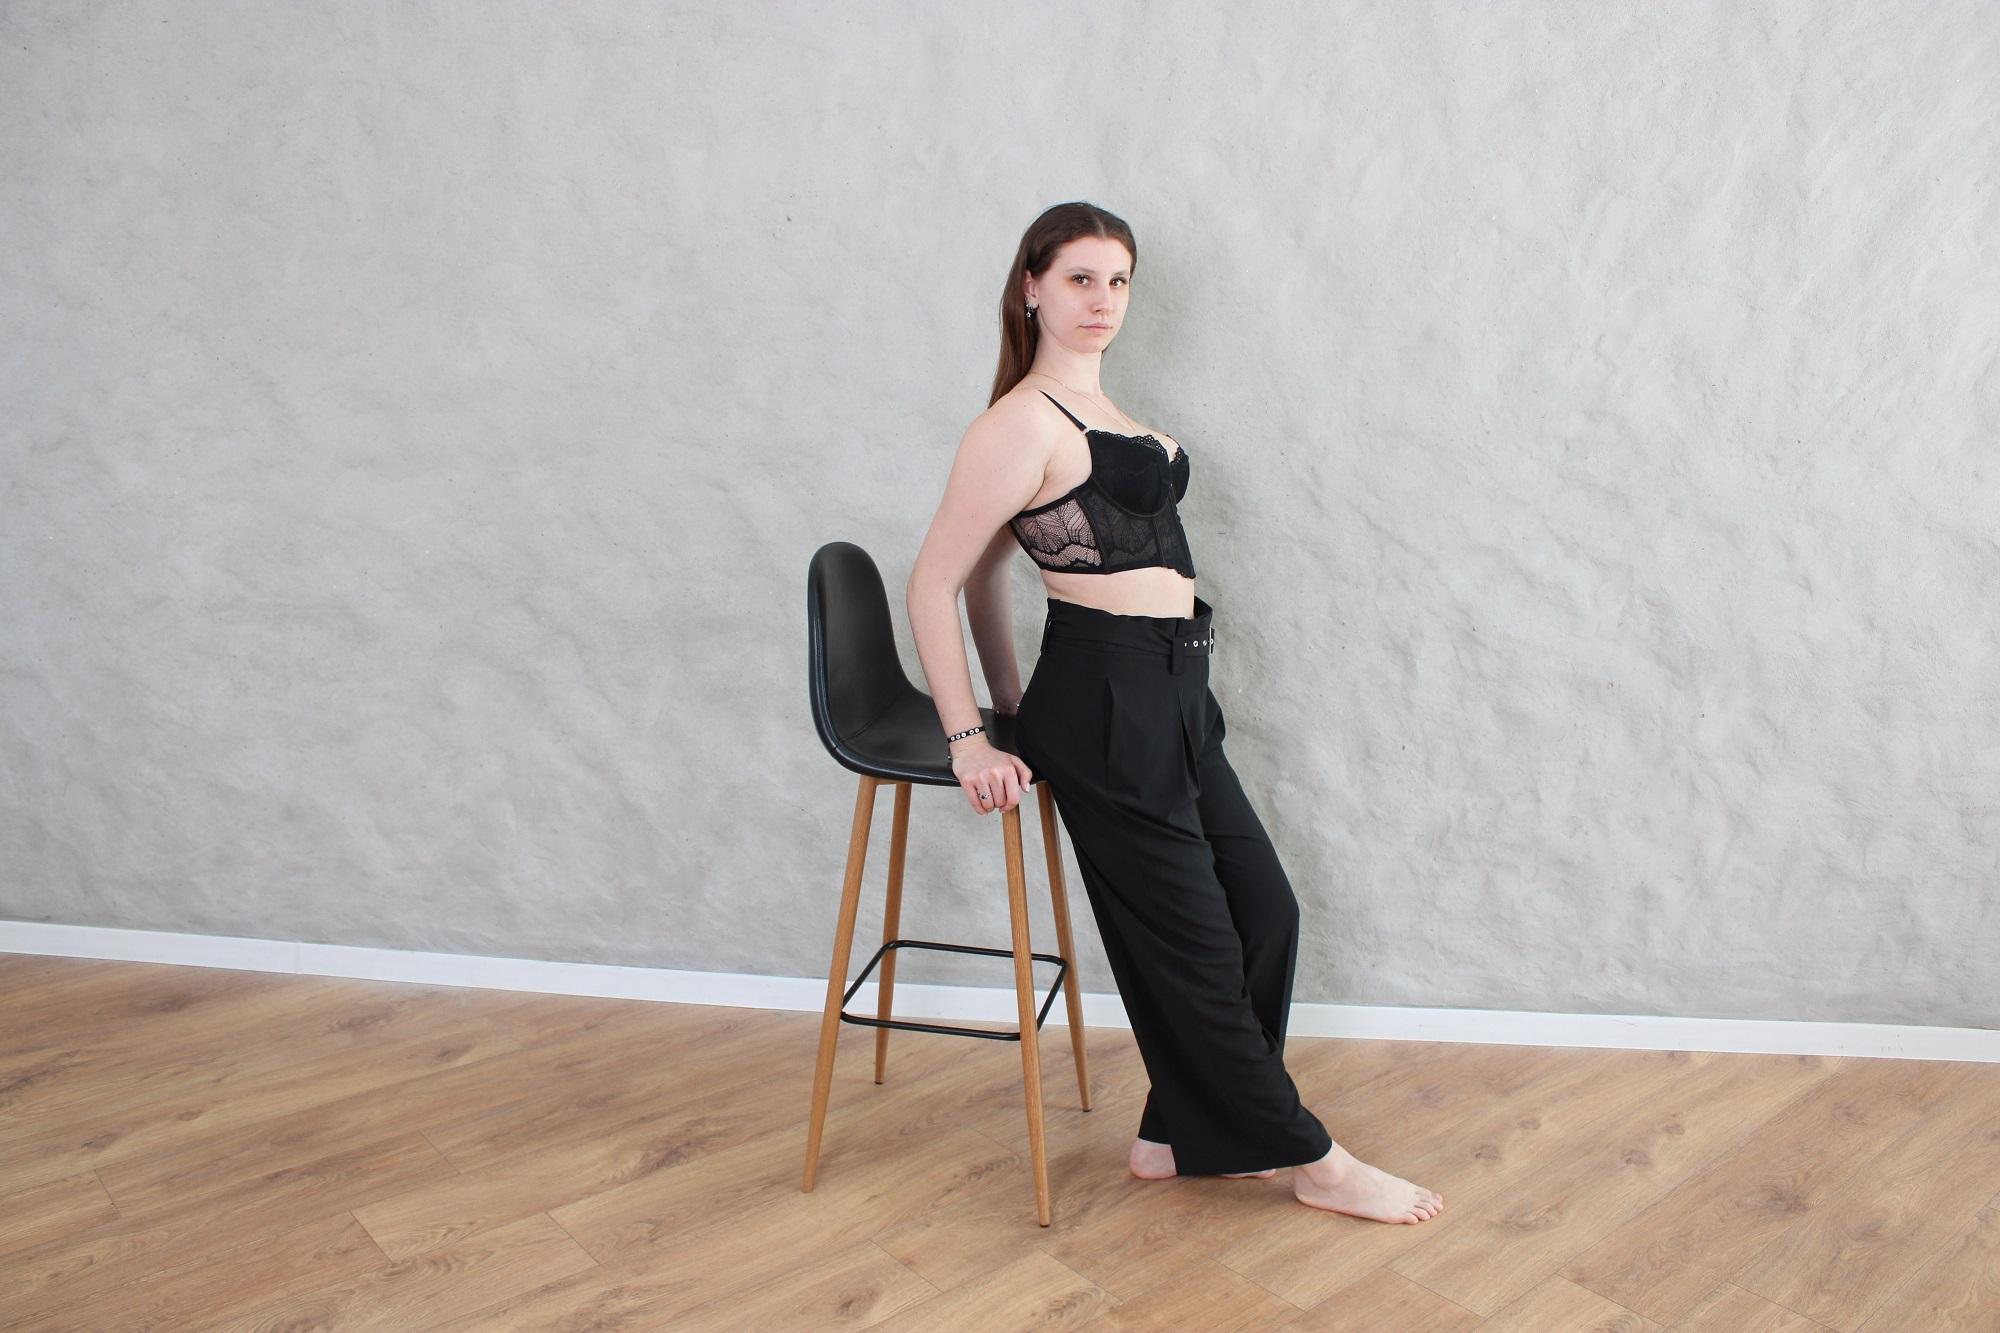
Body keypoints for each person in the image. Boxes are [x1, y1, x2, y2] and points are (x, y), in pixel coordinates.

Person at [904, 201, 1443, 1225]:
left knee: (1264, 913)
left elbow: (985, 582)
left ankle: (1173, 1131)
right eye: (1079, 278)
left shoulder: (1107, 412)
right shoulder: (1019, 423)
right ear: (1031, 287)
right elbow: (936, 581)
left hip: (1179, 689)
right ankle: (1313, 1158)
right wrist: (974, 735)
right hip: (1106, 698)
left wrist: (1014, 698)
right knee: (1196, 944)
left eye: (1117, 281)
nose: (1102, 299)